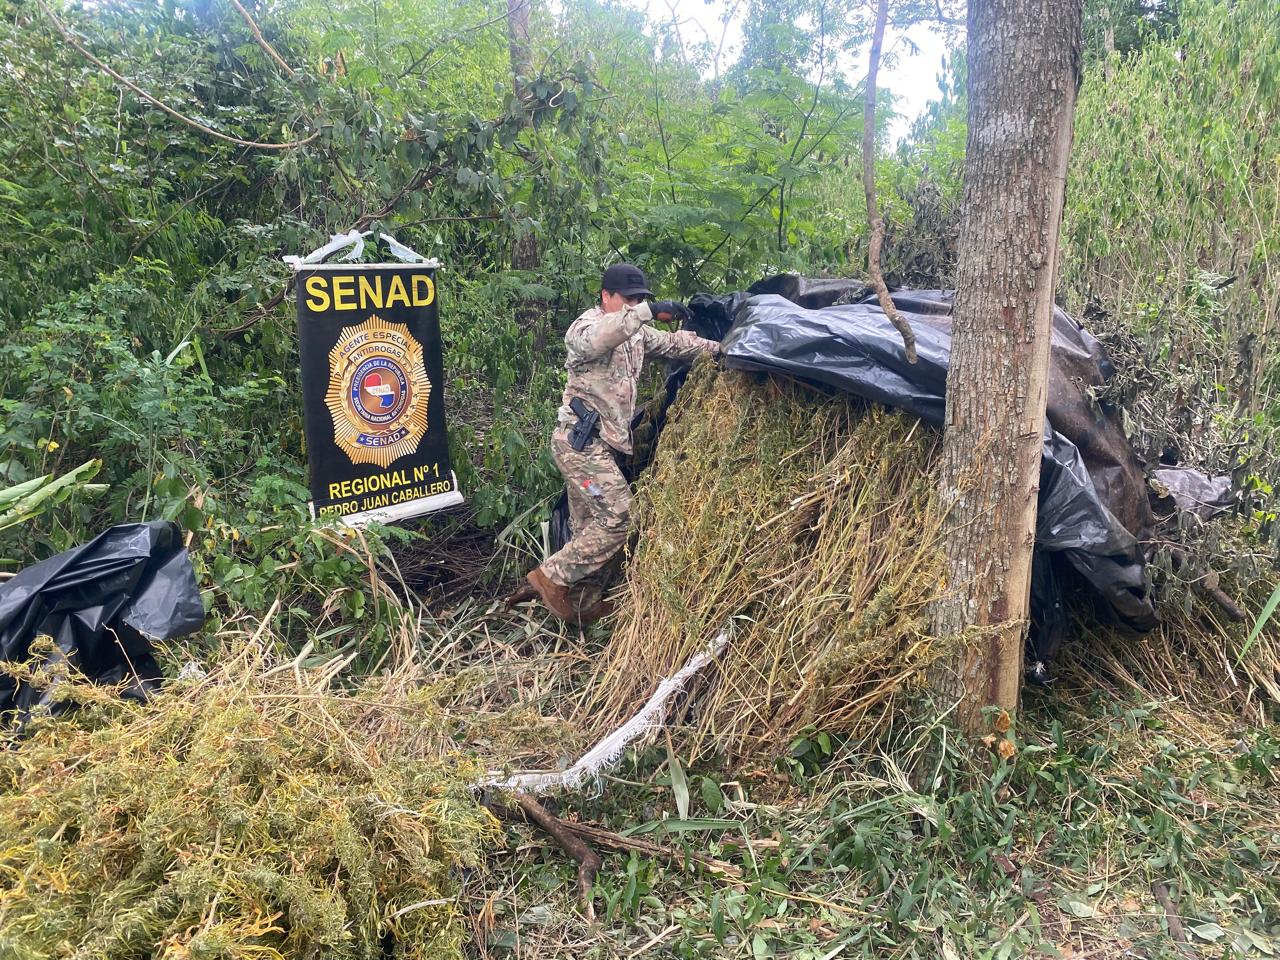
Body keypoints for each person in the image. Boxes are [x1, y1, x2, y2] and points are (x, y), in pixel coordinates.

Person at [524, 263, 720, 624]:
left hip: (603, 447)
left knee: (590, 530)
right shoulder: (584, 329)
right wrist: (645, 313)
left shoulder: (637, 336)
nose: (634, 306)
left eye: (640, 299)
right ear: (606, 296)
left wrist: (722, 348)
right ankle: (550, 577)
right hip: (580, 446)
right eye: (628, 299)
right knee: (621, 517)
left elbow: (675, 344)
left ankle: (583, 603)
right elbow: (600, 337)